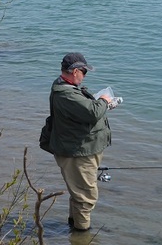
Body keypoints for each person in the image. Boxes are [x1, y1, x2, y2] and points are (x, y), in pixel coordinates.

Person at [47, 52, 113, 232]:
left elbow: (85, 112)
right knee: (86, 196)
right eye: (84, 72)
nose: (84, 76)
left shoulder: (64, 86)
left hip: (80, 149)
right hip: (77, 153)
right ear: (75, 71)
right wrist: (104, 101)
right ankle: (82, 235)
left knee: (79, 193)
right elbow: (92, 112)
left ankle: (73, 226)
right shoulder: (66, 94)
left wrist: (102, 104)